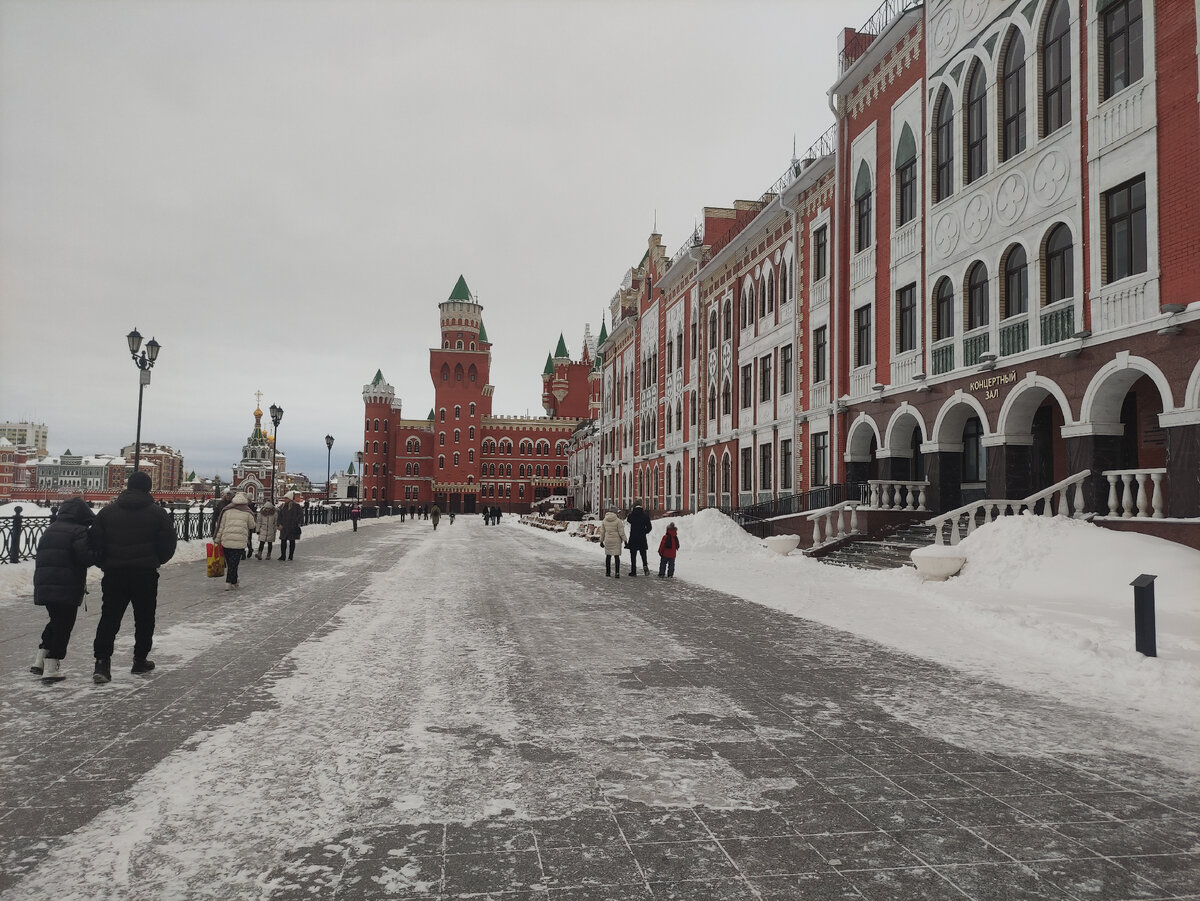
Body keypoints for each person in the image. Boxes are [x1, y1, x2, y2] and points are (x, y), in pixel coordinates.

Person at [91, 471, 178, 683]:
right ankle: (140, 660)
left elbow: (94, 544)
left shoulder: (106, 513)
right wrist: (156, 560)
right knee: (145, 618)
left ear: (128, 486)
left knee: (109, 617)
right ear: (148, 488)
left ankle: (102, 663)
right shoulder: (158, 514)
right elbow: (168, 544)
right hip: (145, 574)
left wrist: (105, 564)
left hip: (114, 574)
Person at [31, 497, 99, 682]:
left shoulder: (50, 528)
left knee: (55, 621)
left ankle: (40, 660)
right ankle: (52, 666)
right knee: (64, 625)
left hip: (45, 583)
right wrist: (99, 552)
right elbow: (86, 558)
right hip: (66, 585)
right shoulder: (78, 531)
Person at [214, 492, 255, 590]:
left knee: (230, 563)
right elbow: (252, 526)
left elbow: (221, 526)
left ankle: (234, 581)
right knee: (234, 563)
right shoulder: (247, 511)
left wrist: (217, 539)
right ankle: (229, 582)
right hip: (239, 542)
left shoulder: (227, 510)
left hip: (226, 540)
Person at [598, 507, 627, 578]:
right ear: (615, 512)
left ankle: (608, 572)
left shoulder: (604, 520)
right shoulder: (618, 521)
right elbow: (621, 532)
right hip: (616, 540)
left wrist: (601, 541)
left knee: (608, 556)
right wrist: (625, 541)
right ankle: (617, 573)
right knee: (616, 556)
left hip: (608, 540)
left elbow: (602, 532)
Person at [625, 503, 653, 577]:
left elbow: (628, 519)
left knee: (633, 556)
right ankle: (645, 567)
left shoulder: (632, 515)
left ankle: (633, 571)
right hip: (642, 538)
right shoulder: (645, 516)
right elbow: (649, 527)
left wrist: (632, 512)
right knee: (643, 554)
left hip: (633, 538)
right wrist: (644, 532)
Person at [276, 491, 302, 560]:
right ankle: (283, 556)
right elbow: (280, 516)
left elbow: (300, 516)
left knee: (292, 541)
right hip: (284, 527)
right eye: (285, 498)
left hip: (292, 527)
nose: (285, 500)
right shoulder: (283, 506)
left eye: (286, 498)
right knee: (283, 542)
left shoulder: (296, 506)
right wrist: (279, 524)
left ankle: (290, 556)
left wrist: (296, 522)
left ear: (290, 499)